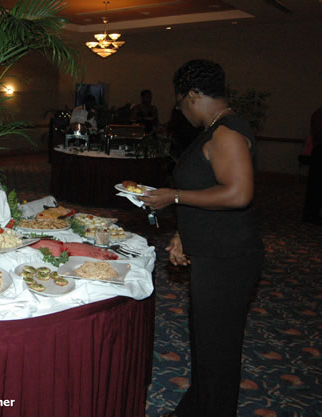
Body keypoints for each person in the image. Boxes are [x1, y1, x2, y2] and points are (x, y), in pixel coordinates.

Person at [138, 59, 264, 417]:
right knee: (209, 348)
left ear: (192, 95)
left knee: (218, 352)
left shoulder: (226, 132)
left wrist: (173, 197)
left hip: (229, 259)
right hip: (214, 252)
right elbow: (208, 190)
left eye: (180, 103)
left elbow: (238, 194)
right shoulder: (215, 130)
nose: (181, 111)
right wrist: (183, 233)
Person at [302, 105, 322, 224]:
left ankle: (311, 214)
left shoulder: (317, 113)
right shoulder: (319, 114)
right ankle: (311, 215)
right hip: (320, 150)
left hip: (318, 150)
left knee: (316, 185)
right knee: (316, 185)